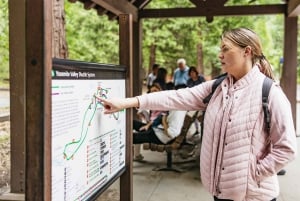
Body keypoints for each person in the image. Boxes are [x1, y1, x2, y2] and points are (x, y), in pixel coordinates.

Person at [98, 28, 297, 201]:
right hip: (221, 192)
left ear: (247, 52)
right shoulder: (218, 87)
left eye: (225, 49)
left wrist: (252, 174)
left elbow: (286, 148)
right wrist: (127, 102)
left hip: (254, 196)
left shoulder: (270, 93)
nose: (220, 55)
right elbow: (176, 97)